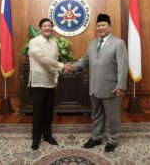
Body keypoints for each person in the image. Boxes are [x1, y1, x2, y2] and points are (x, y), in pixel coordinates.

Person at [65, 14, 128, 152]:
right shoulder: (92, 43)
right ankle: (96, 137)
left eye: (103, 25)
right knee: (96, 114)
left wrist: (121, 85)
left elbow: (123, 66)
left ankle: (113, 140)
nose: (100, 28)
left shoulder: (119, 43)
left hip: (111, 87)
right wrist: (73, 66)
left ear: (110, 27)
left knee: (112, 116)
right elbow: (85, 60)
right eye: (98, 25)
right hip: (94, 86)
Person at [28, 18, 65, 150]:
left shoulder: (54, 44)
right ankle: (36, 138)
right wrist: (62, 65)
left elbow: (53, 61)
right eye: (45, 26)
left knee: (49, 112)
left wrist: (55, 78)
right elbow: (43, 59)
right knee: (38, 112)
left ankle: (47, 135)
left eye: (50, 26)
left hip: (50, 82)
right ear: (40, 28)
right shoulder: (34, 42)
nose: (48, 28)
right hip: (38, 82)